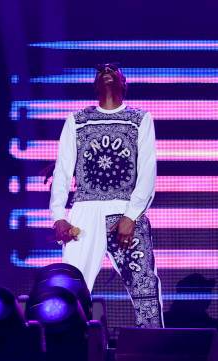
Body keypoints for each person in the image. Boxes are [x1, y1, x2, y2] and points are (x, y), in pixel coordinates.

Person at [49, 63, 163, 328]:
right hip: (84, 213)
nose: (107, 70)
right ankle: (72, 356)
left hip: (125, 211)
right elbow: (63, 170)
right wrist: (58, 217)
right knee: (71, 289)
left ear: (124, 82)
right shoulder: (77, 120)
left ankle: (154, 354)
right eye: (101, 70)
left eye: (114, 69)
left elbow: (147, 169)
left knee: (144, 285)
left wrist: (132, 215)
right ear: (95, 84)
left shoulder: (139, 119)